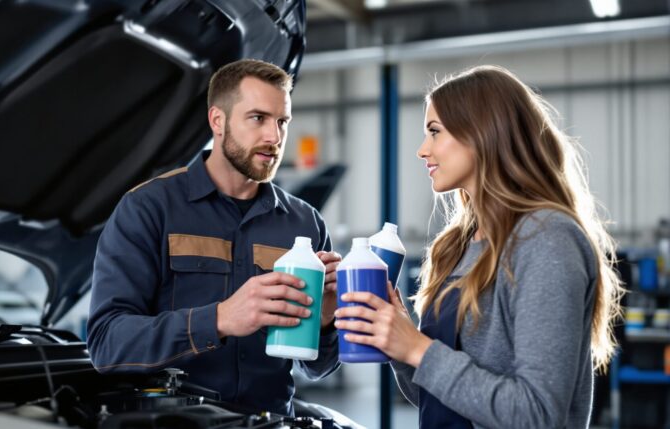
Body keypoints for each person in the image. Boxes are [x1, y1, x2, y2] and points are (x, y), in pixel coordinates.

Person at [334, 65, 623, 428]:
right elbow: (438, 399)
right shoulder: (458, 245)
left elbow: (538, 414)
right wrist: (399, 342)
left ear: (482, 133)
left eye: (434, 132)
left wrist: (418, 349)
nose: (423, 150)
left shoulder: (546, 239)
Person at [87, 59, 342, 416]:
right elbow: (107, 345)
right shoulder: (147, 209)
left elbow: (318, 367)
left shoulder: (305, 223)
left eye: (282, 121)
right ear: (217, 121)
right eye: (258, 118)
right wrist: (219, 318)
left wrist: (327, 320)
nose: (274, 137)